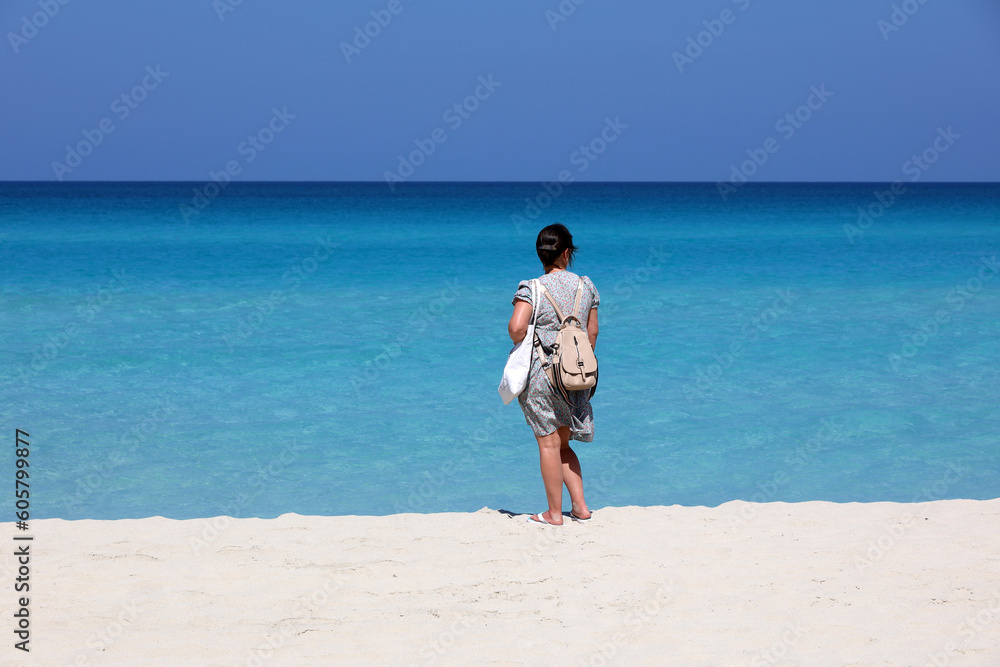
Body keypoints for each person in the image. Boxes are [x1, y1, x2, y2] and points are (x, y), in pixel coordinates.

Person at [508, 224, 600, 526]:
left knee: (548, 443)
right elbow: (592, 331)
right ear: (566, 253)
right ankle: (581, 508)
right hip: (575, 374)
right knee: (563, 444)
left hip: (542, 376)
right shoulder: (586, 286)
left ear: (541, 254)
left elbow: (516, 329)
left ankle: (554, 514)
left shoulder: (531, 288)